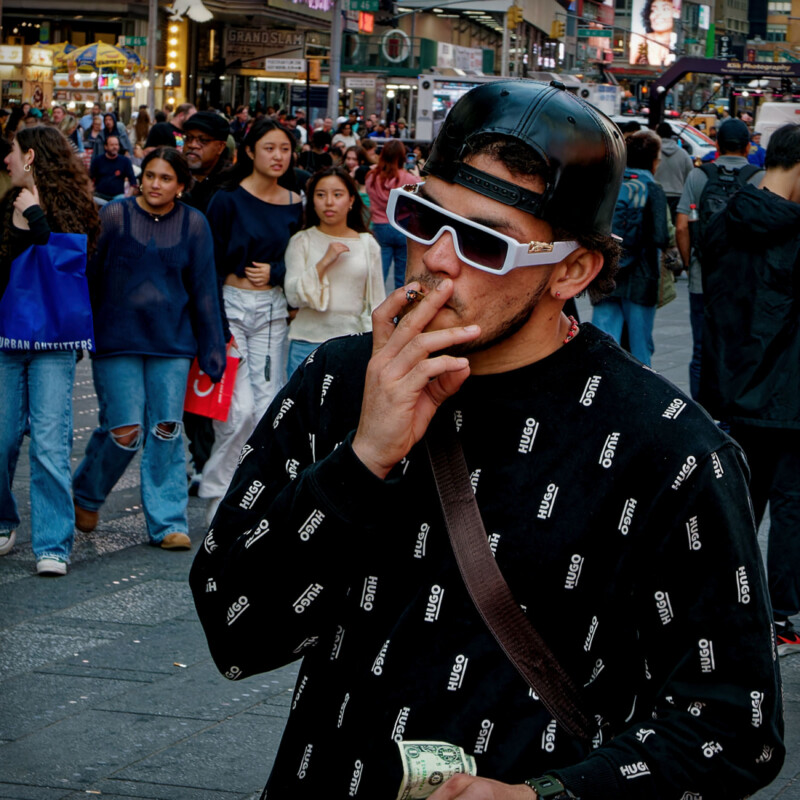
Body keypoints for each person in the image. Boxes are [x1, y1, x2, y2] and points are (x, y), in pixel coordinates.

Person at [190, 79, 784, 800]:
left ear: (572, 270)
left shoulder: (669, 452)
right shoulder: (341, 379)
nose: (437, 259)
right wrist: (362, 459)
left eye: (483, 241)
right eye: (422, 217)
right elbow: (236, 628)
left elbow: (731, 729)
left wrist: (550, 797)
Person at [72, 148, 226, 550]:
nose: (156, 184)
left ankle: (168, 521)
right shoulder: (114, 216)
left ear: (181, 185)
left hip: (172, 342)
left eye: (166, 178)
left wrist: (213, 347)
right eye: (150, 175)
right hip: (117, 337)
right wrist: (79, 333)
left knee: (167, 430)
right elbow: (88, 276)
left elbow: (205, 289)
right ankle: (87, 492)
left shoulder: (195, 224)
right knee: (125, 430)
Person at [699, 122, 800, 656]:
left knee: (744, 503)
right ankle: (782, 615)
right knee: (792, 505)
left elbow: (713, 309)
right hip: (789, 392)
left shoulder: (724, 219)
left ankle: (730, 608)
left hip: (735, 386)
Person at [0, 126, 101, 575]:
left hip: (55, 341)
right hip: (5, 335)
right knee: (1, 438)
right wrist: (21, 221)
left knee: (49, 441)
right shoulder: (6, 204)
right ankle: (4, 518)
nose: (7, 160)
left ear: (33, 156)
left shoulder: (76, 205)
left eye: (14, 152)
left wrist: (38, 218)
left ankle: (53, 544)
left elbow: (74, 261)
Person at [198, 119, 303, 521]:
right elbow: (209, 263)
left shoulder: (296, 201)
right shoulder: (226, 200)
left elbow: (298, 259)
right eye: (269, 148)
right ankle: (217, 492)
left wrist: (276, 273)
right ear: (248, 152)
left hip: (274, 310)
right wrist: (215, 323)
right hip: (231, 306)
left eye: (285, 149)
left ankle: (252, 493)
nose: (278, 156)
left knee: (267, 408)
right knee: (236, 409)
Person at [675, 117, 763, 400]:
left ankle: (700, 416)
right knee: (739, 346)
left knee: (701, 348)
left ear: (716, 144)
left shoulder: (698, 176)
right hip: (744, 280)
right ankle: (731, 413)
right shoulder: (758, 178)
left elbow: (681, 226)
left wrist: (690, 264)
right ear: (748, 147)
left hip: (704, 279)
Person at [284, 166, 383, 374]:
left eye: (337, 194)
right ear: (312, 201)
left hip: (352, 344)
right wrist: (324, 261)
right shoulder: (301, 241)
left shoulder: (367, 244)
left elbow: (378, 301)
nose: (329, 202)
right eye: (321, 195)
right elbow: (293, 297)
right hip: (306, 343)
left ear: (351, 200)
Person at [592, 130, 670, 366]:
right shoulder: (652, 188)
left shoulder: (609, 184)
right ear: (653, 159)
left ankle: (598, 387)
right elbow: (660, 235)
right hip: (642, 276)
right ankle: (639, 396)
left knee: (603, 340)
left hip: (607, 271)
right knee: (640, 348)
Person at [365, 138, 420, 289]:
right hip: (402, 225)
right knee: (402, 274)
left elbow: (370, 193)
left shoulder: (372, 176)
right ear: (402, 157)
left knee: (380, 271)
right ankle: (399, 309)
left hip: (380, 225)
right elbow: (417, 194)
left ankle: (374, 304)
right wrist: (416, 174)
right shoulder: (407, 180)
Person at [182, 111, 231, 214]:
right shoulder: (175, 172)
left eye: (203, 140)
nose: (192, 145)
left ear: (220, 147)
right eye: (188, 138)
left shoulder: (229, 185)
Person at [654, 121, 693, 223]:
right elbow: (690, 176)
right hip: (678, 197)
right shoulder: (683, 154)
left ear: (657, 134)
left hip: (657, 195)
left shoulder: (653, 152)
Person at [90, 135, 137, 201]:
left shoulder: (125, 161)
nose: (115, 147)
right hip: (100, 196)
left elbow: (133, 182)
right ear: (106, 147)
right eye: (112, 145)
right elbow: (89, 179)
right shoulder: (97, 161)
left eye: (116, 145)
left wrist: (128, 196)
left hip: (118, 197)